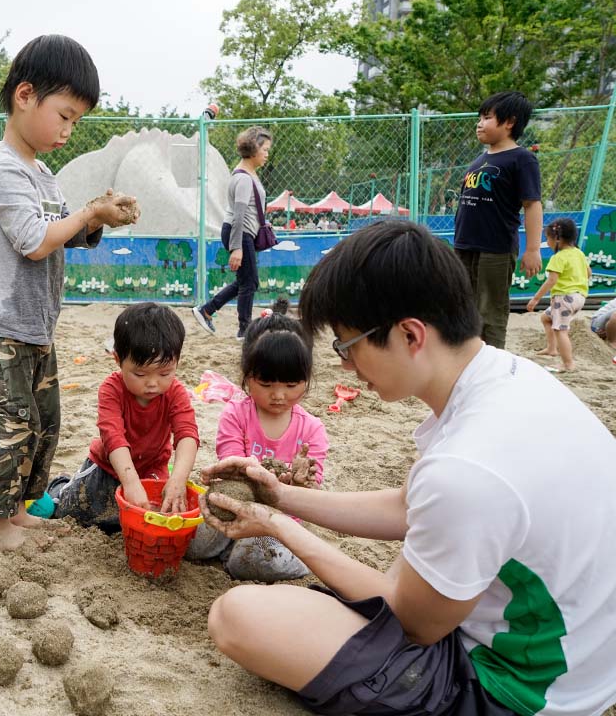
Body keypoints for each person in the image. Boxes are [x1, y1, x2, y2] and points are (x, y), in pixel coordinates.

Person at [198, 220, 616, 716]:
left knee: (237, 616)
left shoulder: (468, 468)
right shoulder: (507, 379)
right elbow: (408, 505)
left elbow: (414, 621)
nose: (347, 367)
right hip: (578, 661)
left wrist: (277, 527)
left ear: (410, 334)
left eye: (348, 347)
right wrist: (278, 496)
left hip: (511, 690)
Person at [0, 34, 137, 551]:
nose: (67, 129)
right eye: (64, 114)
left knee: (44, 422)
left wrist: (96, 218)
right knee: (10, 426)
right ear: (25, 95)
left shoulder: (42, 174)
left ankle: (18, 508)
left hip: (37, 324)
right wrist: (85, 213)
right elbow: (35, 241)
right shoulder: (2, 171)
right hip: (2, 325)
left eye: (76, 120)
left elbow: (61, 228)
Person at [187, 297, 327, 582]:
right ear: (247, 376)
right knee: (192, 545)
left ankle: (299, 562)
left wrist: (300, 482)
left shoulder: (312, 429)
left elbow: (311, 490)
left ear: (306, 379)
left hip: (277, 522)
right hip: (234, 508)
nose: (278, 395)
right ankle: (228, 551)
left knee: (250, 559)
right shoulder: (236, 414)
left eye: (291, 385)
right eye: (266, 384)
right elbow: (233, 465)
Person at [46, 302, 199, 530]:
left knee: (148, 519)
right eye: (140, 373)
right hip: (106, 468)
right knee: (71, 512)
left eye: (165, 373)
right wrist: (130, 482)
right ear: (118, 360)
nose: (152, 383)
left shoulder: (175, 392)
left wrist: (177, 480)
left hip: (151, 470)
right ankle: (59, 485)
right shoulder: (112, 389)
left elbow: (187, 434)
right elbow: (113, 437)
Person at [454, 91, 543, 349]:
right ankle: (467, 356)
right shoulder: (478, 161)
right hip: (465, 245)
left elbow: (532, 204)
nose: (479, 124)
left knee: (490, 310)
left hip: (496, 248)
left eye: (487, 117)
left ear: (509, 122)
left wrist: (533, 249)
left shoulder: (522, 159)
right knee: (464, 306)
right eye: (480, 118)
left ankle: (493, 360)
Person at [192, 126, 273, 341]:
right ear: (254, 149)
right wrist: (237, 247)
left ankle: (207, 310)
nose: (267, 154)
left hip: (242, 232)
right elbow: (238, 215)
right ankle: (244, 330)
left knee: (246, 281)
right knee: (250, 282)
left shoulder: (247, 174)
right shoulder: (244, 178)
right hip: (240, 232)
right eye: (264, 149)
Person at [527, 218, 591, 371]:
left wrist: (535, 299)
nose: (546, 242)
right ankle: (551, 349)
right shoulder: (579, 253)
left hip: (564, 298)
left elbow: (551, 281)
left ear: (557, 238)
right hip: (579, 297)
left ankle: (568, 364)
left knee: (560, 329)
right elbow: (588, 273)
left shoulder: (558, 258)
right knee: (546, 318)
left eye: (547, 238)